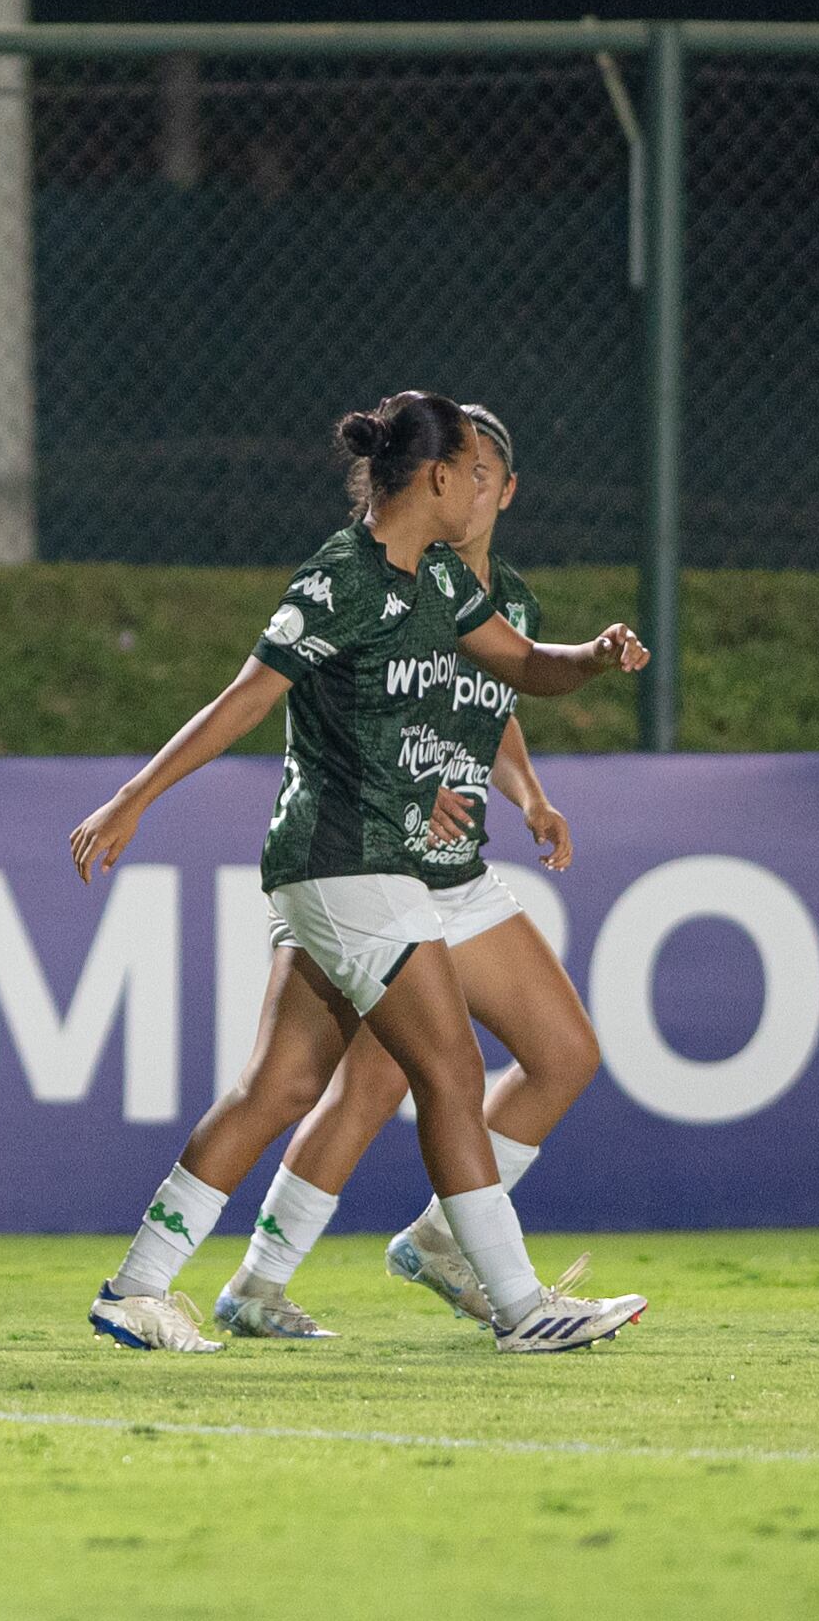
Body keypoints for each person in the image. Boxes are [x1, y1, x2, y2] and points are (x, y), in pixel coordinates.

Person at [67, 391, 650, 1355]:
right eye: (471, 471)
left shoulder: (435, 582)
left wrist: (590, 658)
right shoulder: (339, 579)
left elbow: (520, 664)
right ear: (433, 479)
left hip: (402, 868)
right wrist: (134, 796)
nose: (484, 487)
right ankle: (516, 1303)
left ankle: (139, 1286)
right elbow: (243, 702)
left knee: (283, 1085)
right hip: (349, 861)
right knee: (449, 1068)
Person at [215, 403, 601, 1336]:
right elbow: (373, 712)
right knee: (370, 1083)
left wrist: (529, 794)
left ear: (504, 491)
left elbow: (494, 700)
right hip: (378, 860)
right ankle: (263, 1284)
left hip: (454, 871)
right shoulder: (400, 580)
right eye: (456, 468)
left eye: (482, 474)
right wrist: (405, 788)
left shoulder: (506, 602)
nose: (466, 486)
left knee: (561, 1055)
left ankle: (431, 1241)